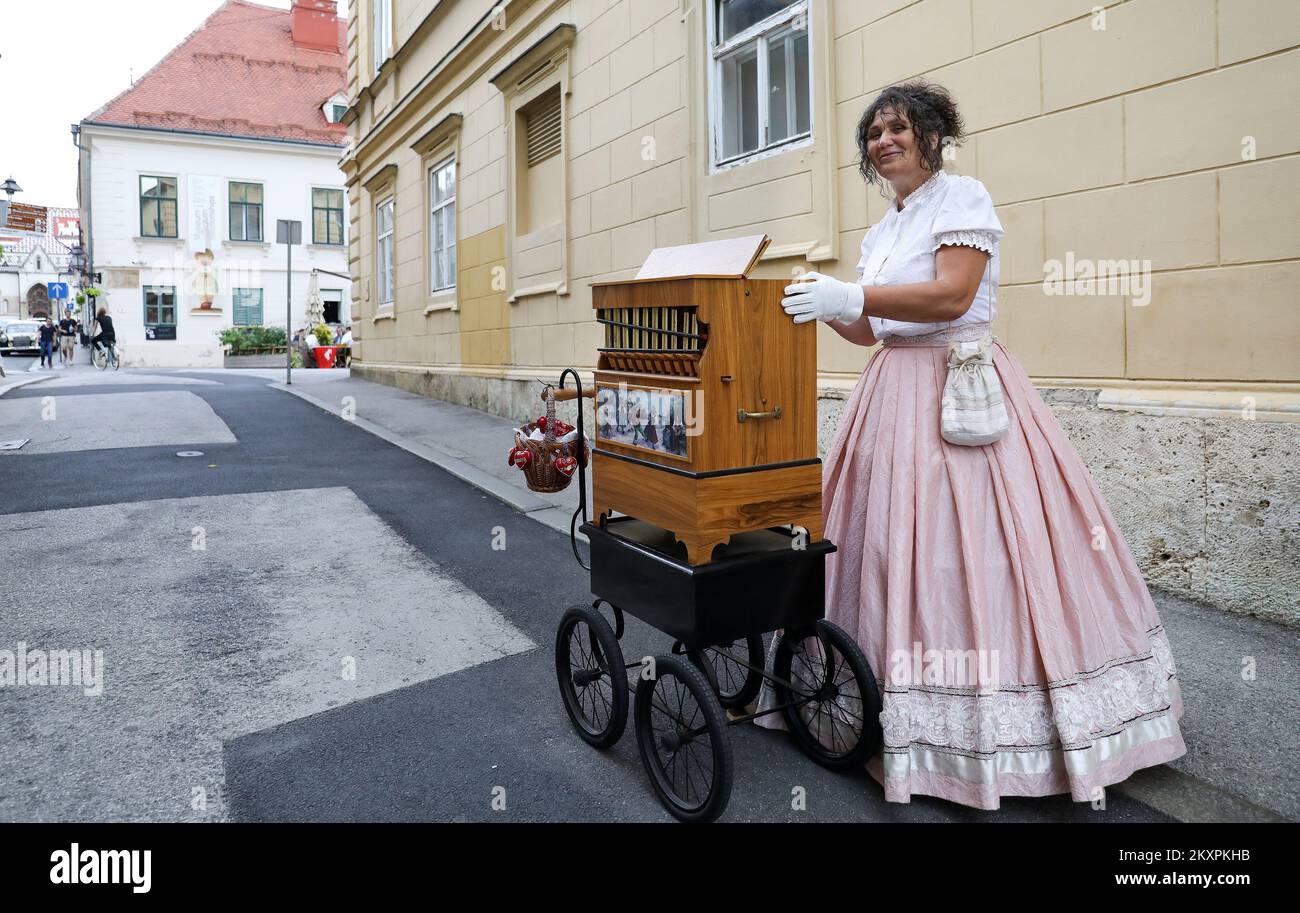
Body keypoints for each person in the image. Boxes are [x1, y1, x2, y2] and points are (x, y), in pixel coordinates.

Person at [768, 81, 1186, 811]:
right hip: (889, 391)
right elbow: (873, 330)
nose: (884, 140)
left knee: (982, 547)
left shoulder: (962, 199)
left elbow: (954, 295)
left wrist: (852, 296)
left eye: (900, 127)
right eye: (874, 133)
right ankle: (878, 701)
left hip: (961, 394)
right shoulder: (882, 230)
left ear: (933, 136)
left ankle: (1005, 731)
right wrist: (826, 309)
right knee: (889, 547)